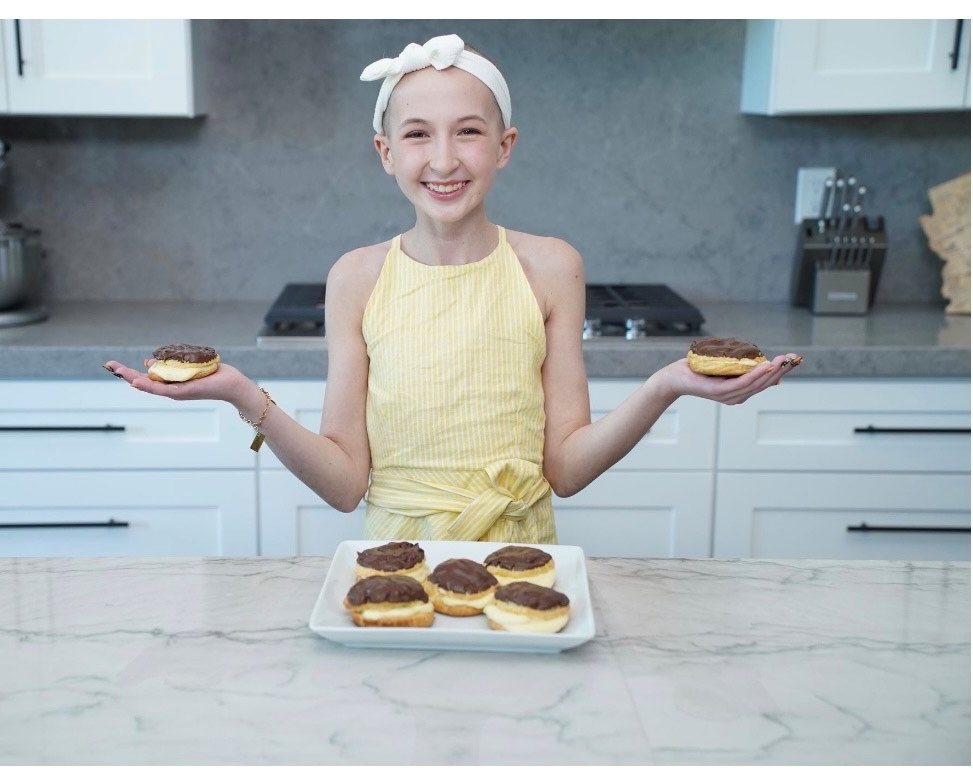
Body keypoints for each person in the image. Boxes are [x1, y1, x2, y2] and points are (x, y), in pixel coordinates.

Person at [104, 33, 802, 545]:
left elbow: (565, 468)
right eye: (416, 135)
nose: (443, 160)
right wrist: (241, 396)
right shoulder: (357, 278)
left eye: (468, 133)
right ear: (385, 153)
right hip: (393, 564)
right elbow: (346, 484)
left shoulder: (551, 268)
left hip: (523, 563)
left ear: (504, 146)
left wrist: (665, 386)